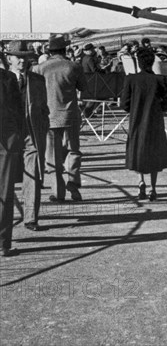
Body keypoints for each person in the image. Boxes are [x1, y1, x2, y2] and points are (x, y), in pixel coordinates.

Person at [33, 35, 87, 202]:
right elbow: (84, 87)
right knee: (74, 151)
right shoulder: (74, 66)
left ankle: (58, 192)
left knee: (52, 157)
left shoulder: (38, 69)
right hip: (70, 115)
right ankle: (73, 184)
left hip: (49, 116)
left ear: (49, 51)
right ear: (65, 50)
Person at [5, 41, 50, 231]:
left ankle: (31, 218)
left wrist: (43, 127)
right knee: (5, 177)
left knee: (32, 173)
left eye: (25, 57)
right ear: (9, 59)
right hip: (7, 135)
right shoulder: (3, 80)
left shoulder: (38, 80)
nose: (23, 61)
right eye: (18, 57)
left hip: (31, 132)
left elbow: (44, 108)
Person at [120, 48, 167, 201]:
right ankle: (153, 189)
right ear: (152, 62)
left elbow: (124, 104)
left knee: (139, 151)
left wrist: (134, 107)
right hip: (155, 121)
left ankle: (141, 181)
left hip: (137, 120)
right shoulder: (160, 80)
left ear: (138, 62)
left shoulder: (131, 79)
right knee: (154, 154)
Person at [0, 53, 24, 256]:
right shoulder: (8, 78)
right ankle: (3, 243)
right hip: (6, 141)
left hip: (7, 140)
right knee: (4, 192)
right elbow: (18, 110)